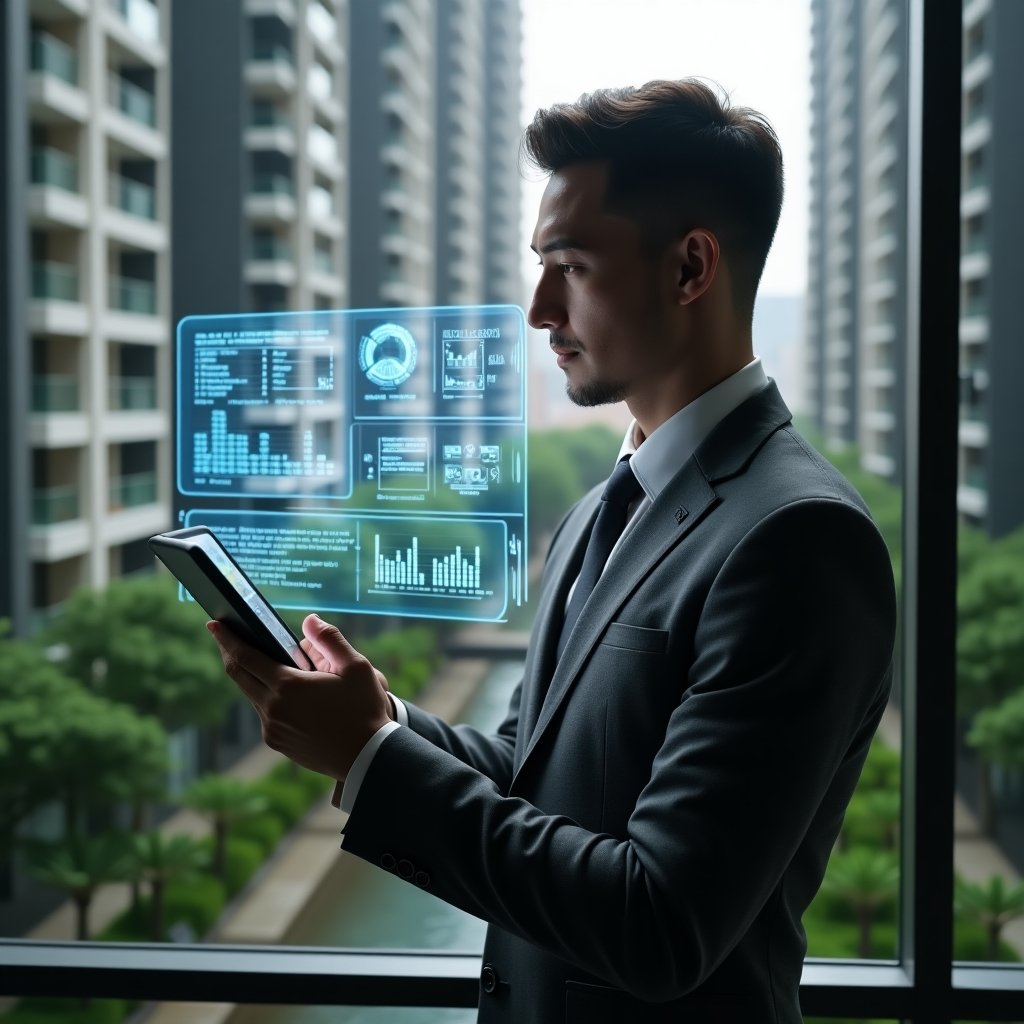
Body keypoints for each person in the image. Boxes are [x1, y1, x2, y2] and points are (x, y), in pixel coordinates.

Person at [209, 78, 897, 1023]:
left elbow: (661, 921)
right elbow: (539, 772)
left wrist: (371, 760)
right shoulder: (596, 513)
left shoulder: (800, 540)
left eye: (569, 266)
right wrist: (381, 717)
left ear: (691, 268)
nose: (538, 308)